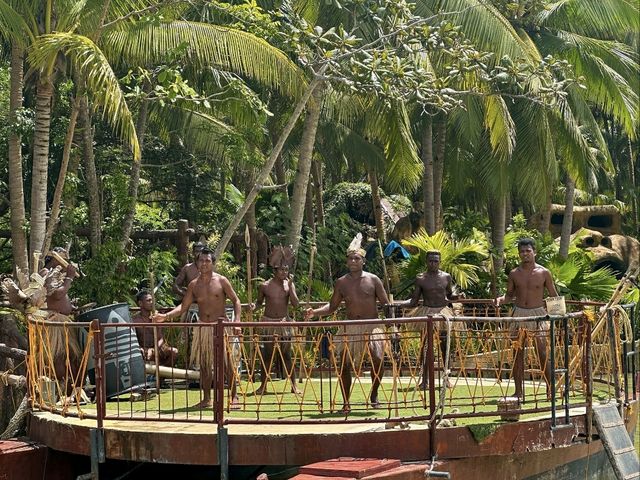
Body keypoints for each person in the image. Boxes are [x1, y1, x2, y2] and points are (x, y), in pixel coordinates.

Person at [305, 234, 390, 412]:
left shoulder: (373, 279)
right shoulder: (341, 282)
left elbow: (385, 304)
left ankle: (374, 393)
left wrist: (392, 323)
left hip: (372, 325)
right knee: (344, 364)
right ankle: (346, 401)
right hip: (350, 327)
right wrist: (315, 312)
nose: (353, 261)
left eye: (356, 258)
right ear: (347, 262)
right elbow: (332, 307)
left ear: (363, 261)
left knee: (377, 358)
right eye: (350, 258)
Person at [155, 247, 242, 409]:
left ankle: (234, 396)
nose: (204, 264)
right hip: (203, 328)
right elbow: (183, 307)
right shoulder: (194, 285)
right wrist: (165, 317)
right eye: (201, 260)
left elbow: (236, 301)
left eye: (207, 260)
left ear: (213, 263)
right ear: (196, 263)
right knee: (204, 364)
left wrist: (236, 321)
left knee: (227, 363)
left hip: (221, 327)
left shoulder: (222, 281)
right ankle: (207, 398)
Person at [497, 238, 558, 400]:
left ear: (534, 252)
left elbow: (553, 295)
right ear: (519, 254)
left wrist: (559, 314)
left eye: (528, 251)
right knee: (517, 353)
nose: (525, 254)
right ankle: (519, 391)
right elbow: (509, 295)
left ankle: (551, 389)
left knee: (542, 352)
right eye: (522, 252)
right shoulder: (514, 274)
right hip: (519, 314)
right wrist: (501, 300)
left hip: (538, 314)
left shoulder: (544, 273)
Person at [401, 250, 464, 388]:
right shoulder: (421, 278)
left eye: (436, 261)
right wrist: (397, 304)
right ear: (426, 262)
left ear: (440, 262)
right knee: (426, 348)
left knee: (445, 347)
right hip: (427, 314)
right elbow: (414, 300)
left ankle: (446, 378)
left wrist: (457, 297)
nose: (433, 263)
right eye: (431, 261)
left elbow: (449, 296)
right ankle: (425, 380)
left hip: (443, 314)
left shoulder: (446, 277)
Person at [252, 246, 301, 395]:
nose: (284, 273)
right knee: (267, 355)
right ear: (275, 271)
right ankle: (263, 386)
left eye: (286, 270)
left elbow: (296, 304)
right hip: (268, 323)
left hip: (284, 323)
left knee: (287, 355)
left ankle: (294, 385)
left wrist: (291, 287)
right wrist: (253, 306)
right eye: (281, 270)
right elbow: (259, 303)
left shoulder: (289, 285)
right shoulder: (265, 286)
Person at [41, 247, 82, 401]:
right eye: (64, 258)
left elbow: (61, 297)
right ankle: (60, 390)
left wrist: (70, 307)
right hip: (55, 323)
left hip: (63, 319)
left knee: (71, 357)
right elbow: (57, 294)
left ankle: (71, 391)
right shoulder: (46, 273)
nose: (67, 263)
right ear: (55, 258)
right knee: (59, 355)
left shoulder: (57, 274)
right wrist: (70, 277)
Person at [133, 290, 178, 369]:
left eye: (152, 300)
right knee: (139, 354)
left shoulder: (157, 317)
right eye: (148, 300)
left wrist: (153, 350)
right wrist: (141, 348)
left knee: (174, 352)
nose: (151, 302)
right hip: (142, 350)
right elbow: (133, 340)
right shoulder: (135, 320)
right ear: (140, 303)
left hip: (158, 348)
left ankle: (162, 375)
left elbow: (161, 338)